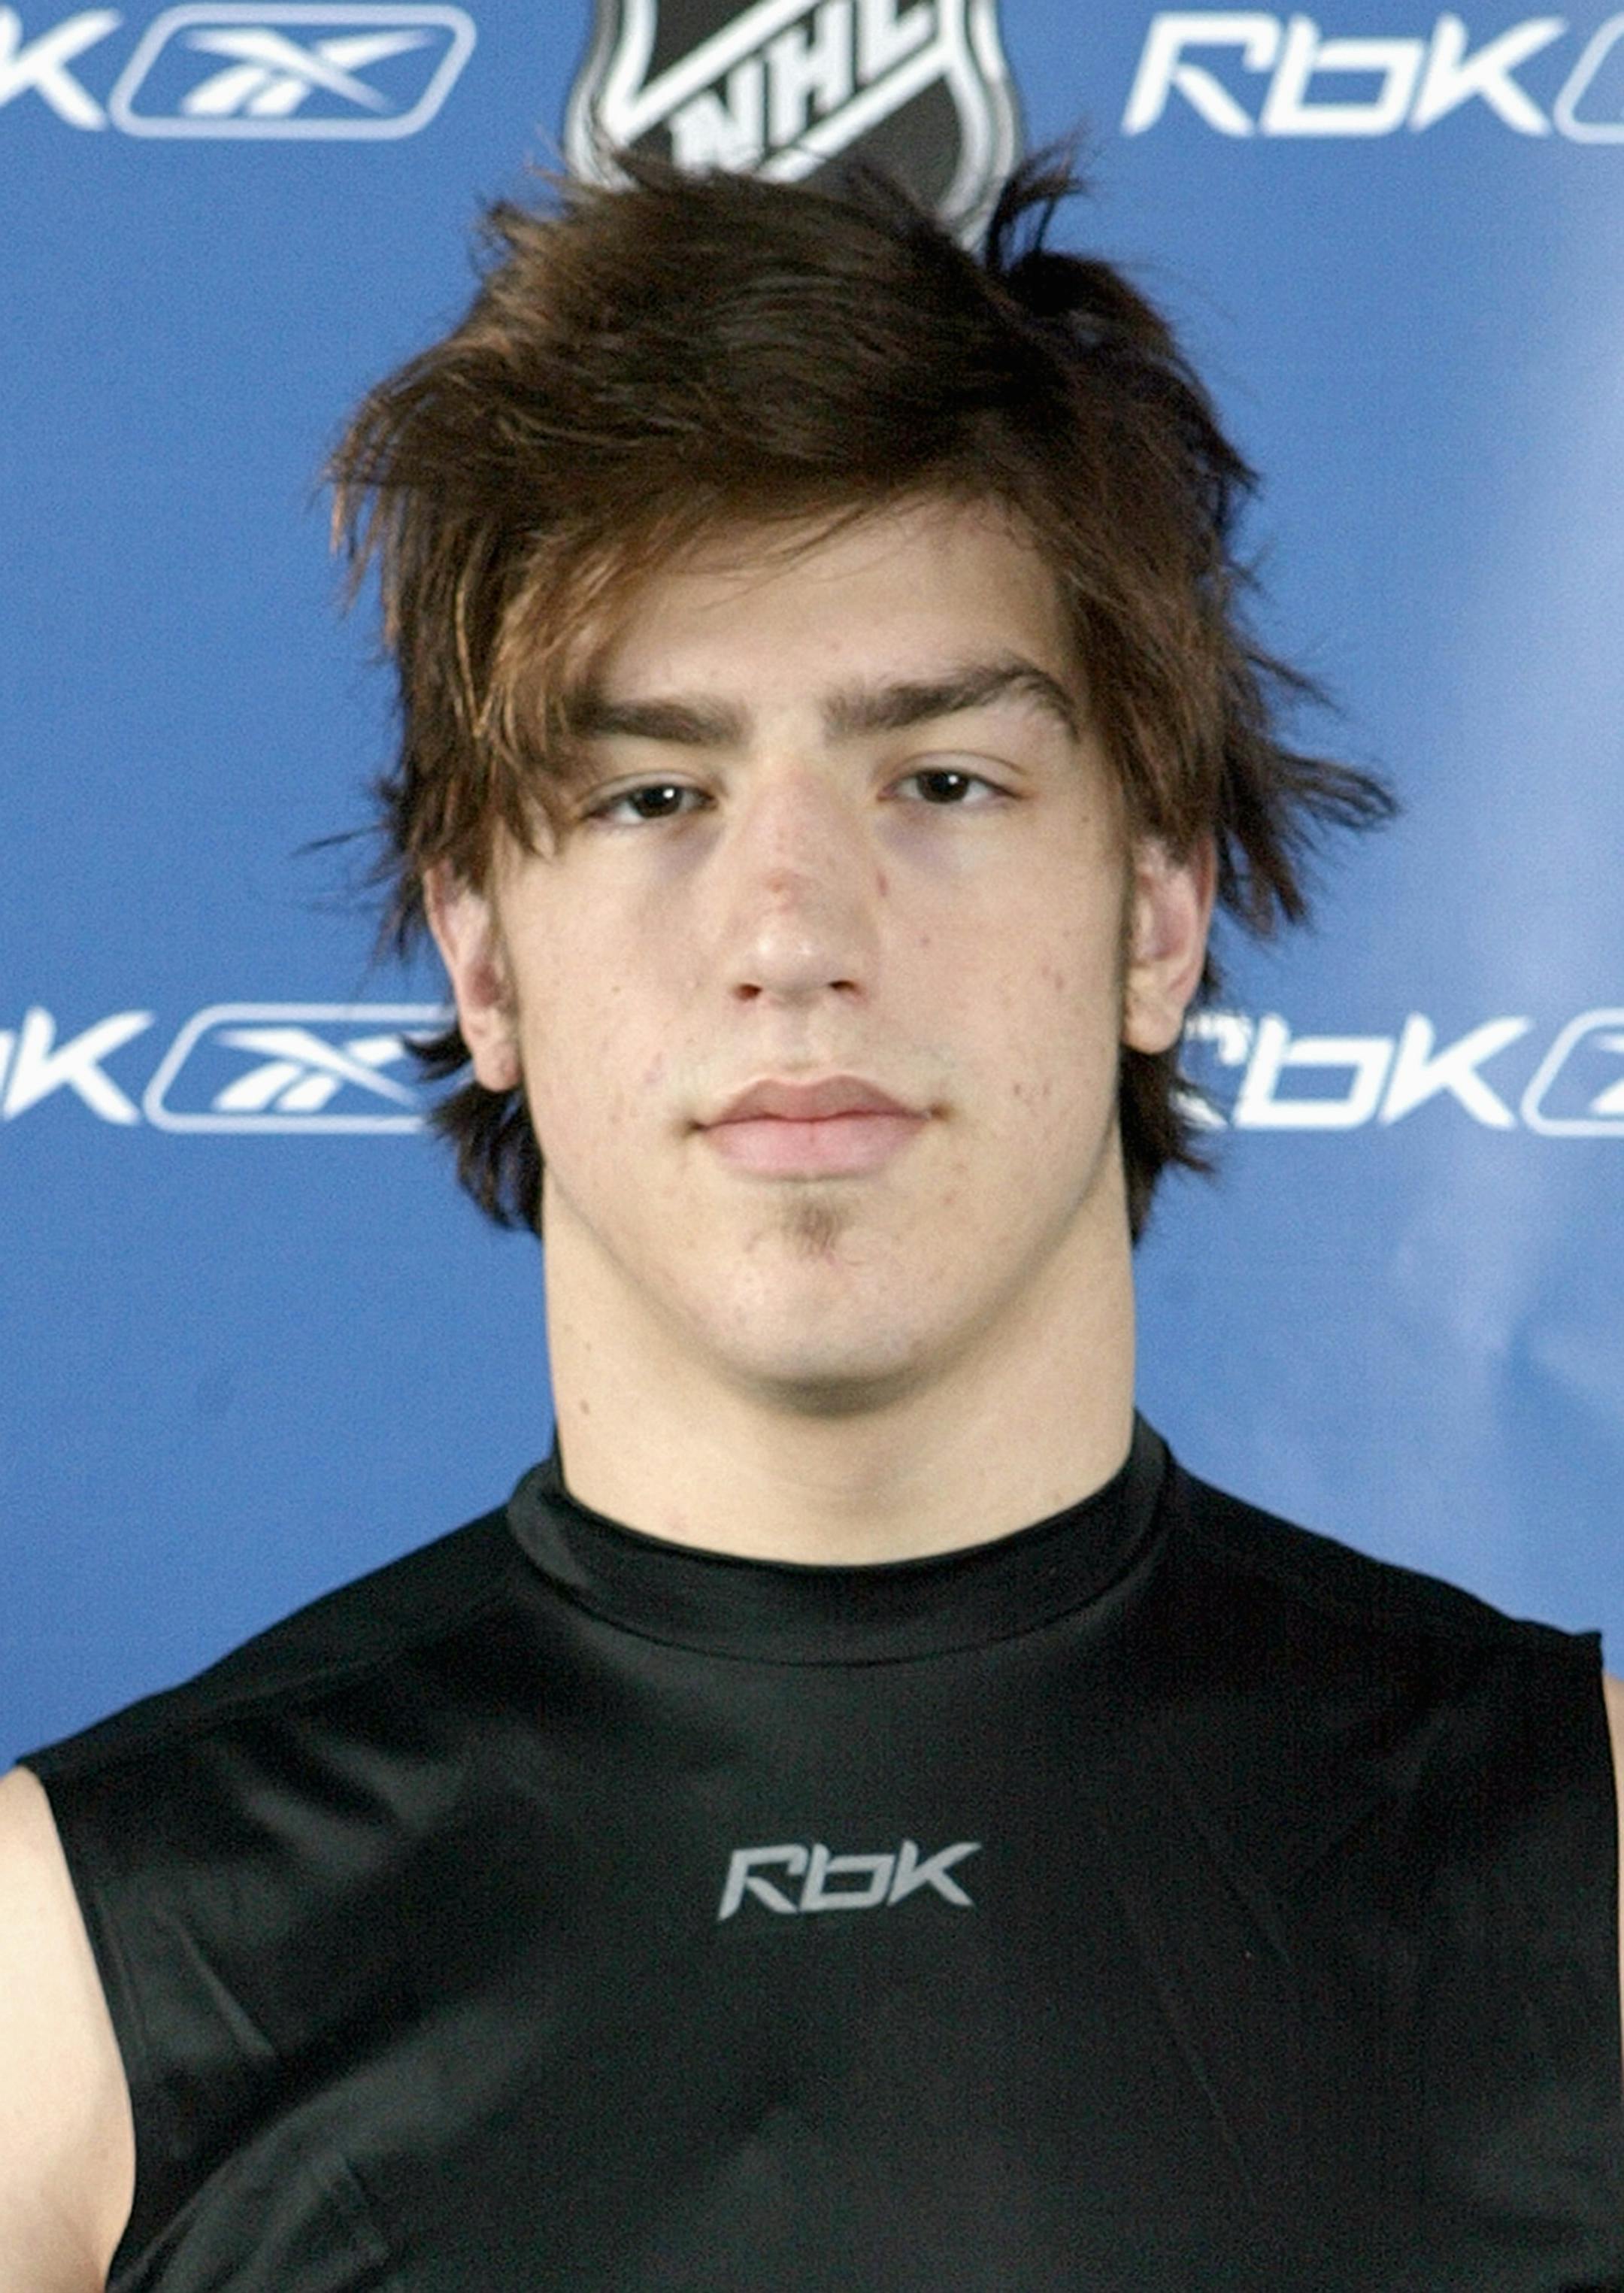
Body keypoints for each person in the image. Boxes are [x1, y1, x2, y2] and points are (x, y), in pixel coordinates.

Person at [0, 153, 1619, 2291]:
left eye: (940, 780)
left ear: (1159, 907)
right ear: (481, 954)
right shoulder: (68, 1981)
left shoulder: (1590, 1865)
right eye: (653, 794)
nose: (790, 933)